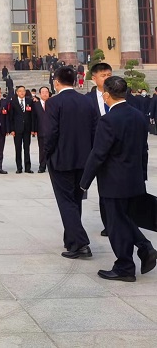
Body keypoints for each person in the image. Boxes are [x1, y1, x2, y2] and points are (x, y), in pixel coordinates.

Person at [80, 76, 157, 282]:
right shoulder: (138, 116)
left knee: (116, 223)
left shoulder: (108, 120)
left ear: (106, 95)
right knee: (125, 219)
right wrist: (142, 175)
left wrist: (84, 182)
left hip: (114, 182)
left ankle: (125, 266)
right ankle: (144, 248)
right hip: (134, 179)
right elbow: (144, 149)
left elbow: (98, 154)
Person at [45, 67, 97, 259]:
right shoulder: (87, 101)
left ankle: (81, 243)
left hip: (61, 159)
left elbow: (51, 132)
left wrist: (46, 154)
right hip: (84, 160)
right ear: (75, 81)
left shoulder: (53, 102)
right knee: (75, 201)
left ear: (56, 82)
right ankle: (72, 241)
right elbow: (94, 130)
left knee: (66, 202)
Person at [87, 62, 114, 236]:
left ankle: (122, 220)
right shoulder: (86, 100)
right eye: (103, 76)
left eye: (109, 75)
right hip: (98, 151)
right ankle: (108, 224)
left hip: (119, 152)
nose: (107, 78)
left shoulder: (122, 96)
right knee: (103, 190)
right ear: (94, 78)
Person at [9, 86, 34, 174]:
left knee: (27, 148)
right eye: (20, 91)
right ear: (17, 92)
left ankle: (28, 167)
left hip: (27, 129)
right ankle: (19, 167)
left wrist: (32, 129)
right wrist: (12, 129)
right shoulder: (13, 102)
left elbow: (32, 116)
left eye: (23, 91)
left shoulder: (30, 101)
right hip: (17, 129)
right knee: (18, 149)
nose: (22, 92)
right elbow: (11, 117)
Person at [32, 86, 50, 173]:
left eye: (46, 92)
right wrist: (34, 130)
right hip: (41, 130)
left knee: (52, 149)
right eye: (43, 92)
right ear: (40, 94)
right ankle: (42, 166)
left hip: (52, 131)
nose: (45, 94)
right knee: (42, 149)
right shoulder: (36, 105)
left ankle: (51, 166)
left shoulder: (53, 103)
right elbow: (34, 118)